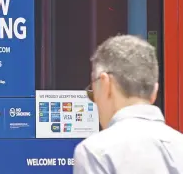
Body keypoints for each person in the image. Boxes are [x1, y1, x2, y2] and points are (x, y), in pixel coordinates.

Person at [73, 35, 183, 174]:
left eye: (92, 92)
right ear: (154, 91)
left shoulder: (95, 152)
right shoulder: (179, 147)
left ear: (106, 84)